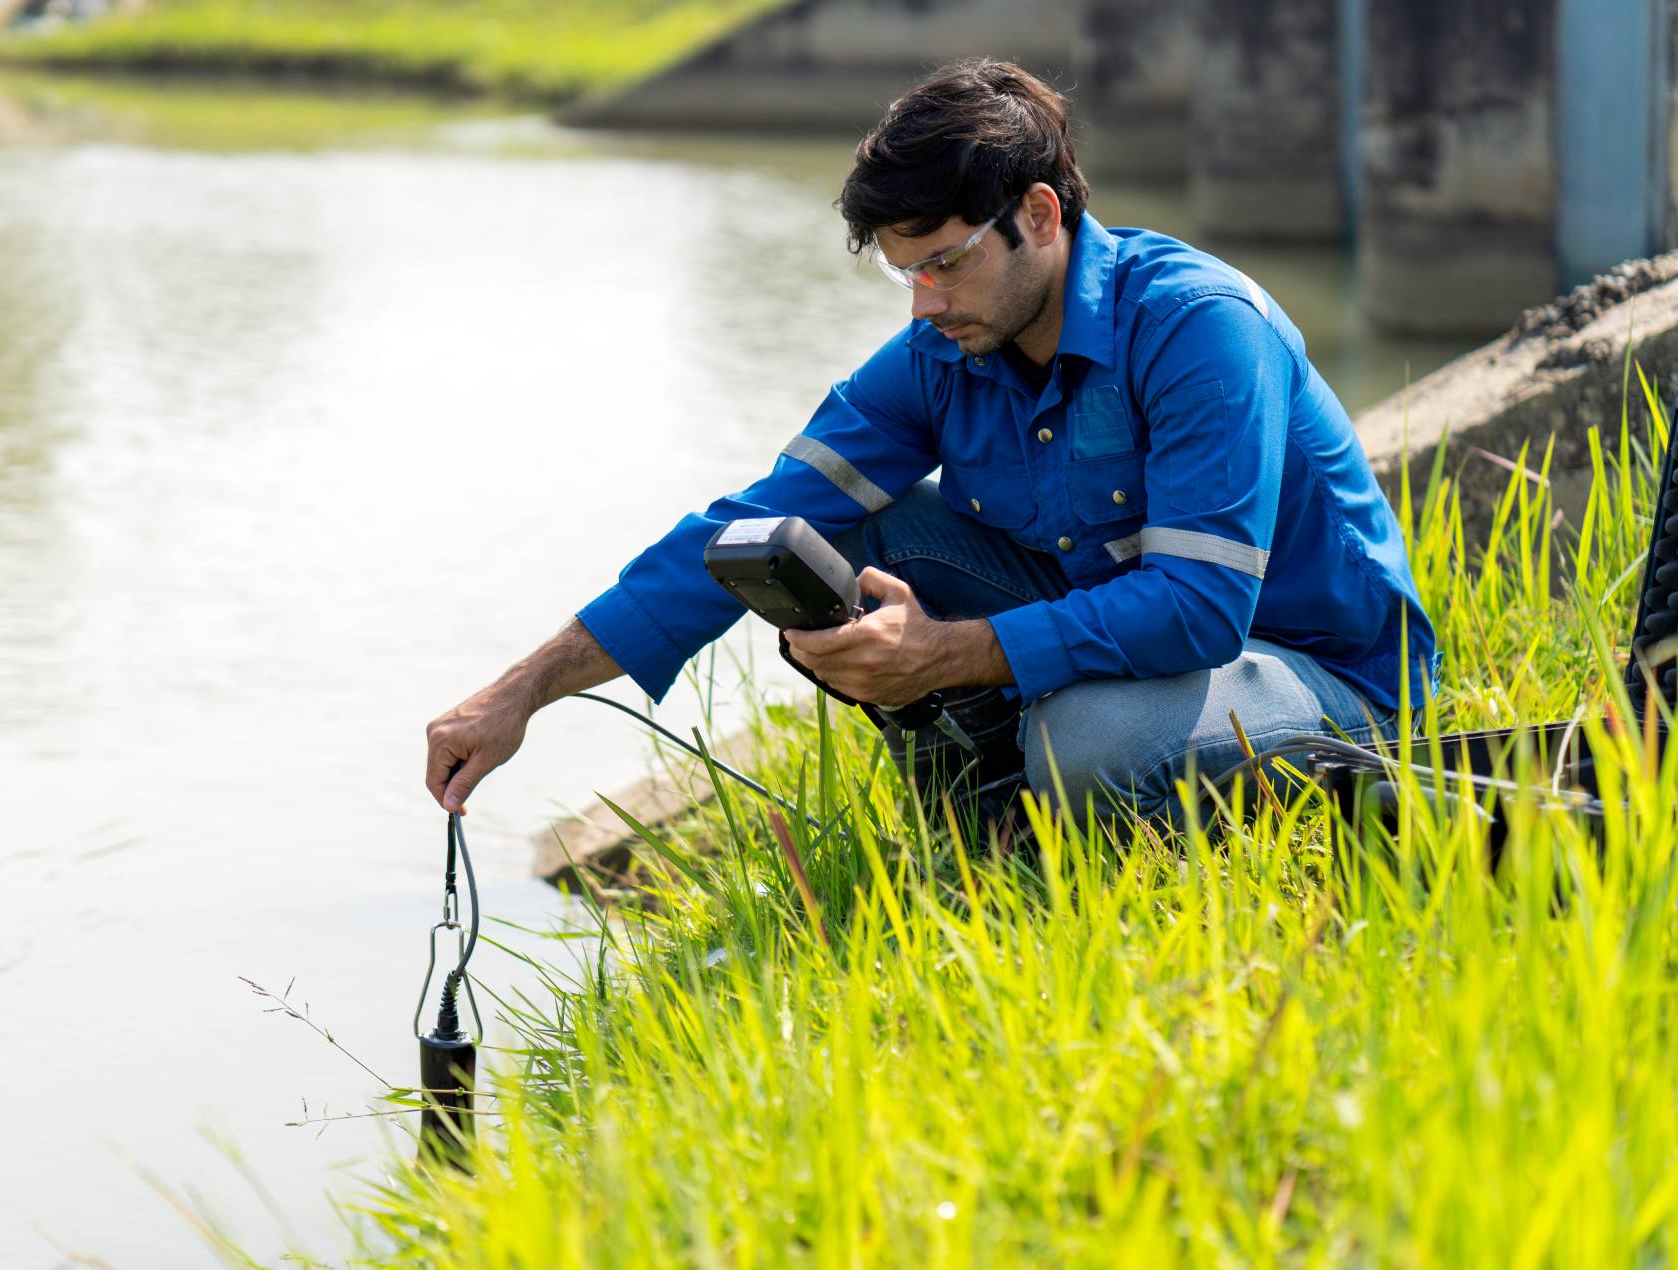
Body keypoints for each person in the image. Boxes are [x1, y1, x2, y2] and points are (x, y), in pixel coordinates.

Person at [425, 58, 1437, 826]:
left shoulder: (1197, 326)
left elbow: (1202, 607)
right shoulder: (938, 350)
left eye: (945, 264)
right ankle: (986, 808)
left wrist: (947, 654)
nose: (925, 300)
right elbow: (743, 530)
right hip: (1136, 650)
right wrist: (519, 694)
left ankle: (1120, 802)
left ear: (1039, 215)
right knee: (813, 551)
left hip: (1323, 669)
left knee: (1085, 745)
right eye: (904, 272)